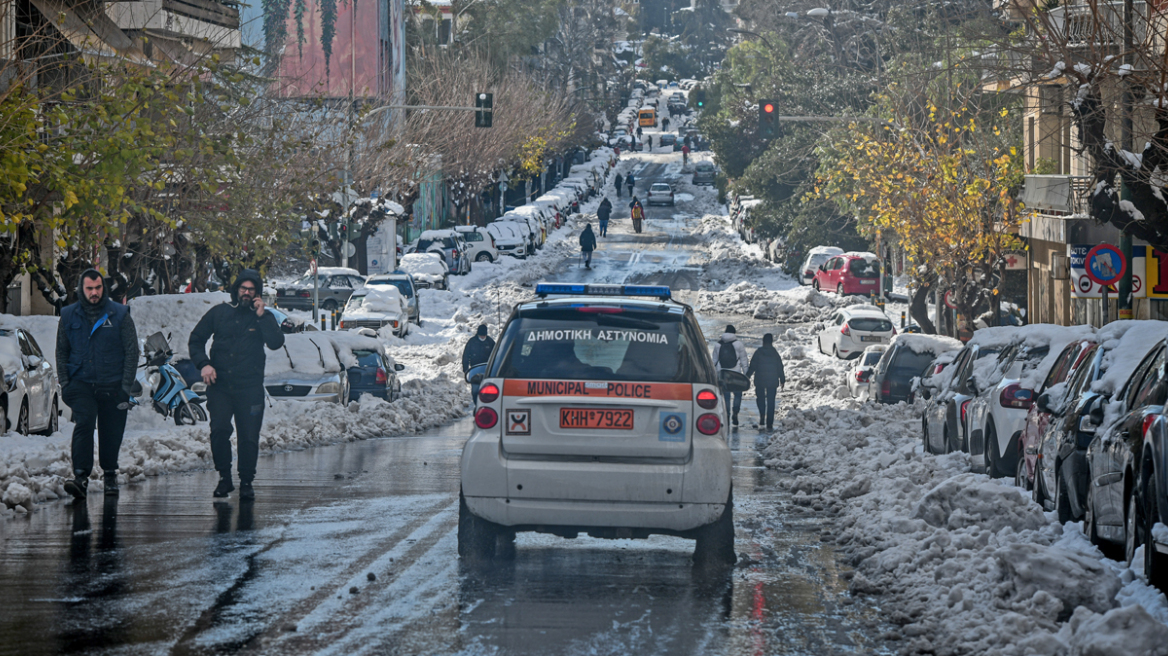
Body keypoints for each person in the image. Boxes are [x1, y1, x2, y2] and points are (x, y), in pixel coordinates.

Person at [189, 269, 285, 500]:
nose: (247, 293)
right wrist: (204, 364)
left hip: (250, 387)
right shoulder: (220, 312)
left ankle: (246, 481)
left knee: (249, 436)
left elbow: (276, 342)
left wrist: (263, 316)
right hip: (220, 385)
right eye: (243, 288)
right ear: (236, 290)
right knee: (219, 431)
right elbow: (196, 339)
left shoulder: (264, 316)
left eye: (251, 290)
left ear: (257, 293)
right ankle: (224, 478)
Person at [58, 270, 139, 499]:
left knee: (111, 428)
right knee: (84, 422)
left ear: (103, 288)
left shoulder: (120, 314)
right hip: (80, 383)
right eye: (89, 288)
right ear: (81, 290)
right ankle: (80, 476)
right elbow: (61, 351)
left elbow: (132, 352)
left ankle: (110, 473)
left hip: (113, 384)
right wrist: (65, 383)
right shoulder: (68, 315)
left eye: (98, 288)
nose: (94, 293)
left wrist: (125, 386)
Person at [745, 333, 786, 432]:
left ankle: (762, 415)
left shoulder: (758, 352)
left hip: (760, 380)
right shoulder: (775, 353)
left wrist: (746, 377)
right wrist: (782, 379)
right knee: (771, 401)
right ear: (771, 342)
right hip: (772, 380)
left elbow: (752, 366)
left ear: (763, 341)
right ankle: (770, 423)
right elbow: (780, 367)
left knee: (760, 399)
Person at [711, 325, 748, 427]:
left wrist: (713, 375)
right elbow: (744, 360)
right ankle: (735, 412)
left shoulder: (718, 345)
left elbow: (714, 361)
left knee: (726, 396)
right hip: (736, 373)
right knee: (738, 394)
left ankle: (727, 415)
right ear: (734, 333)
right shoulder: (739, 344)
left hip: (723, 374)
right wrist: (746, 374)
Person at [462, 325, 495, 403]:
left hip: (487, 370)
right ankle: (476, 404)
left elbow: (496, 355)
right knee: (475, 390)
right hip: (475, 371)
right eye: (481, 335)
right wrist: (466, 370)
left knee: (487, 390)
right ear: (478, 334)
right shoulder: (472, 342)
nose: (483, 337)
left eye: (484, 336)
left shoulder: (490, 342)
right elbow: (465, 356)